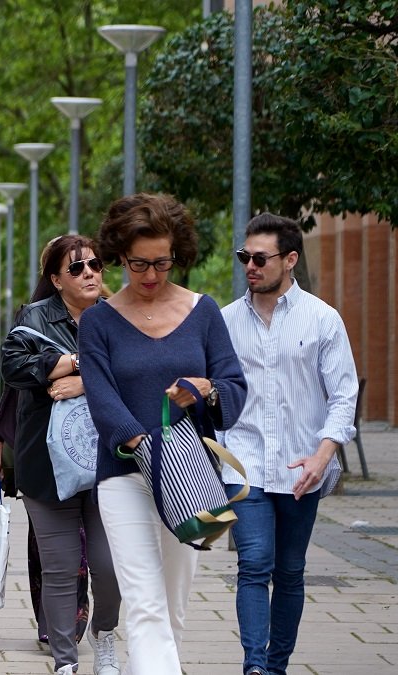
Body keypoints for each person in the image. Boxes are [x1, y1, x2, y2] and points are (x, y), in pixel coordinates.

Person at [79, 192, 247, 674]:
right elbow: (102, 401)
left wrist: (206, 390)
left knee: (172, 607)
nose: (151, 276)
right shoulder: (98, 321)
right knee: (145, 601)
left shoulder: (205, 311)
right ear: (119, 256)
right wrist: (147, 448)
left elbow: (234, 389)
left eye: (162, 263)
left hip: (193, 479)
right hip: (125, 475)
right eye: (138, 264)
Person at [220, 213, 358, 675]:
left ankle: (276, 665)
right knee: (255, 564)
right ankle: (254, 666)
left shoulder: (323, 319)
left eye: (260, 258)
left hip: (303, 467)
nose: (250, 266)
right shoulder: (225, 322)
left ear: (290, 259)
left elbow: (343, 395)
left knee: (290, 571)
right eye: (245, 257)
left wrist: (324, 454)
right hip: (245, 466)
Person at [1, 234, 121, 675]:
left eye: (95, 265)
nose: (89, 273)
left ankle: (105, 635)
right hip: (46, 467)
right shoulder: (34, 318)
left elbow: (135, 374)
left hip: (111, 463)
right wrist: (74, 362)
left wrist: (81, 379)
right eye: (76, 268)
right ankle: (65, 662)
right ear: (56, 279)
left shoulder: (116, 316)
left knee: (109, 568)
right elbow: (14, 368)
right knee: (60, 568)